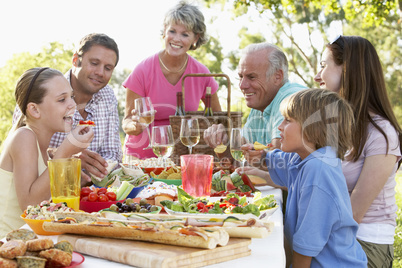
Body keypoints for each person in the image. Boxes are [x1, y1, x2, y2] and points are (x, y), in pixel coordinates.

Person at [243, 88, 367, 267]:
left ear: (313, 128)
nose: (280, 126)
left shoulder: (319, 169)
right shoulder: (304, 158)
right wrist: (260, 155)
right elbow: (276, 161)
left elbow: (306, 244)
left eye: (288, 120)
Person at [314, 35, 402, 267]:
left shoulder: (383, 134)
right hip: (334, 236)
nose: (316, 76)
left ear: (348, 69)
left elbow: (353, 215)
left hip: (364, 244)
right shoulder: (337, 126)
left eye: (323, 66)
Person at [13, 33, 122, 181]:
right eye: (94, 63)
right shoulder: (41, 90)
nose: (100, 73)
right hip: (45, 193)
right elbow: (19, 152)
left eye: (108, 68)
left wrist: (97, 172)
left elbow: (113, 154)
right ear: (76, 60)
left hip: (89, 191)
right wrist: (68, 158)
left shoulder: (107, 95)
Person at [0, 67, 94, 236]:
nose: (72, 104)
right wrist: (64, 153)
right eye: (62, 100)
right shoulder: (24, 137)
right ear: (35, 110)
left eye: (71, 97)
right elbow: (30, 207)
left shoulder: (44, 148)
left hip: (33, 237)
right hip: (8, 243)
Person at [122, 1, 221, 159]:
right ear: (164, 32)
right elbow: (127, 122)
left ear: (196, 38)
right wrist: (135, 125)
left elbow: (218, 118)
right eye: (172, 31)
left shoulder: (202, 73)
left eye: (185, 34)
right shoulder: (142, 70)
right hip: (141, 159)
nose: (176, 39)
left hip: (181, 159)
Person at [203, 42, 306, 165]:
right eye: (241, 77)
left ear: (277, 76)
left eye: (251, 77)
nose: (242, 85)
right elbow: (236, 160)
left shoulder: (291, 99)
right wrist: (221, 143)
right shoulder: (260, 103)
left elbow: (279, 163)